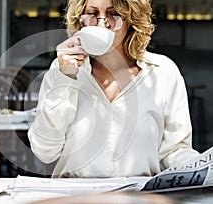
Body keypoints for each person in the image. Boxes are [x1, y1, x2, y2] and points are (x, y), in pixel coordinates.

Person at [28, 0, 200, 178]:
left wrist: (200, 167)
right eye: (93, 14)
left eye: (114, 14)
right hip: (75, 196)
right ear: (81, 20)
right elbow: (44, 152)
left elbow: (174, 151)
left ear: (131, 20)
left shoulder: (163, 72)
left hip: (139, 196)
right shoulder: (61, 70)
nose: (102, 23)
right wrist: (65, 79)